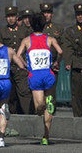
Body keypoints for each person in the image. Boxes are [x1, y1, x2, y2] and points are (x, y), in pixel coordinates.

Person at [17, 13, 63, 145]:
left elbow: (18, 54)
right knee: (49, 109)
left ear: (31, 25)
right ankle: (46, 136)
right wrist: (57, 62)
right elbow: (60, 52)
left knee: (38, 109)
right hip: (48, 74)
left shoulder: (26, 40)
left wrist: (25, 65)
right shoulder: (50, 39)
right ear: (44, 26)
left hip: (35, 75)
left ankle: (44, 103)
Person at [0, 6, 33, 114]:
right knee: (10, 95)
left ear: (17, 17)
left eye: (13, 16)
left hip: (21, 67)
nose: (11, 19)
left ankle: (28, 117)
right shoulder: (2, 31)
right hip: (7, 67)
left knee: (24, 93)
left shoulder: (25, 31)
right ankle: (12, 118)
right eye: (8, 16)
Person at [63, 3, 82, 117]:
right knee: (77, 94)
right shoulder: (71, 31)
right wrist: (68, 62)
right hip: (77, 64)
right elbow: (67, 48)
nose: (80, 17)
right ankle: (78, 117)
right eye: (78, 14)